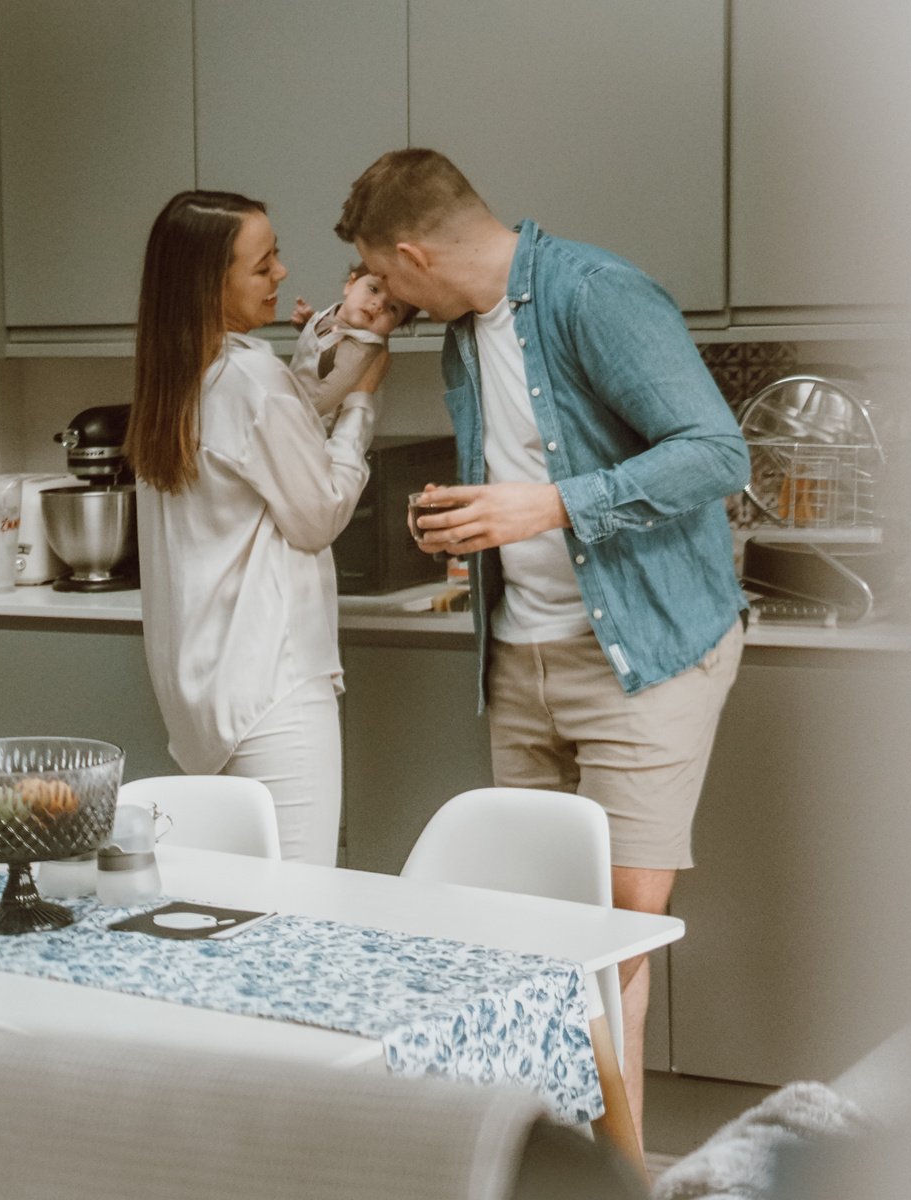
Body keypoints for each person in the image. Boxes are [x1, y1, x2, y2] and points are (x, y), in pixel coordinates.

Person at [335, 149, 748, 1141]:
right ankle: (538, 1163)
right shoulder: (459, 336)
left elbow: (716, 452)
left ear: (413, 251)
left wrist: (553, 505)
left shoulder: (595, 296)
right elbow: (518, 477)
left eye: (385, 279)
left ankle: (619, 1172)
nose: (384, 296)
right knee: (525, 945)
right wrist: (472, 526)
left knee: (607, 944)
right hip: (519, 660)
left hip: (644, 654)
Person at [126, 190, 390, 866]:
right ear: (210, 285)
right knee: (299, 917)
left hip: (203, 701)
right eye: (263, 263)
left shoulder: (179, 378)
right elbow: (321, 513)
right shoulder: (247, 375)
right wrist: (361, 404)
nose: (280, 273)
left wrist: (347, 333)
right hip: (275, 692)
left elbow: (285, 419)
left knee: (230, 918)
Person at [287, 265, 416, 421]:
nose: (379, 305)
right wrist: (310, 324)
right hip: (295, 399)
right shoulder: (339, 317)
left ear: (395, 326)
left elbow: (328, 395)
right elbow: (328, 348)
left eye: (393, 308)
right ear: (350, 284)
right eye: (374, 289)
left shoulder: (360, 350)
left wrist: (293, 420)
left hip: (314, 423)